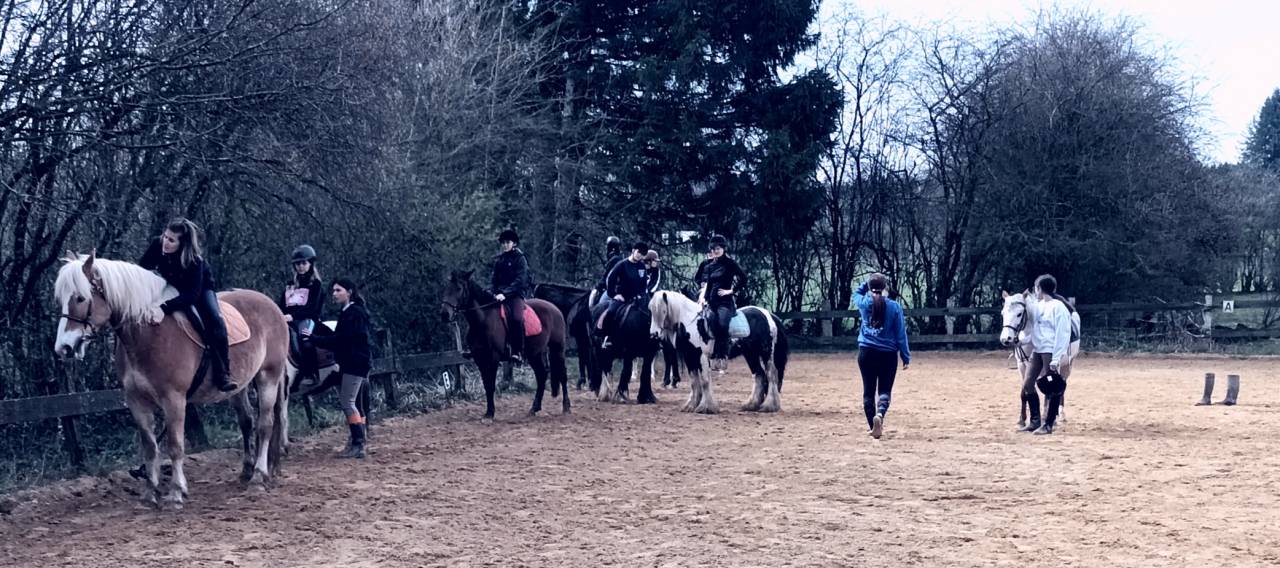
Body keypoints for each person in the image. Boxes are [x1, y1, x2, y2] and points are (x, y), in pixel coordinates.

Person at [139, 218, 236, 392]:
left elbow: (192, 295)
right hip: (169, 285)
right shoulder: (157, 244)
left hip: (199, 291)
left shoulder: (194, 261)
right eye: (165, 236)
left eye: (171, 240)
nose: (165, 242)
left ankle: (223, 372)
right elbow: (143, 267)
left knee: (214, 319)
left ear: (181, 244)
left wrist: (164, 308)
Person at [303, 279, 372, 458]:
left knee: (348, 403)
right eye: (333, 291)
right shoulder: (349, 312)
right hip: (353, 363)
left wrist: (313, 338)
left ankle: (358, 444)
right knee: (354, 403)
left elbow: (340, 340)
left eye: (338, 290)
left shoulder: (353, 313)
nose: (334, 294)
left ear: (349, 292)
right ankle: (359, 440)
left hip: (354, 364)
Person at [853, 273, 911, 439]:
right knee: (884, 390)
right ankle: (880, 415)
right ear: (885, 287)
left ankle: (873, 426)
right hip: (888, 355)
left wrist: (867, 283)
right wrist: (905, 356)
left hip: (866, 353)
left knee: (868, 392)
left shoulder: (863, 304)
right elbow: (901, 335)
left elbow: (855, 294)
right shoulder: (894, 307)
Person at [1021, 274, 1072, 435]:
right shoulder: (1038, 306)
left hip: (1050, 351)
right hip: (1037, 350)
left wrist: (1056, 358)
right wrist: (1022, 340)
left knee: (1052, 387)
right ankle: (1035, 421)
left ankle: (1048, 423)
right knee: (1028, 384)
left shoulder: (1059, 307)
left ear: (1039, 288)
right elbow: (1033, 327)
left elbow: (1062, 333)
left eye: (1036, 288)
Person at [694, 235, 747, 371]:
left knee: (723, 324)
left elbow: (744, 278)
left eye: (718, 248)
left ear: (723, 249)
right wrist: (704, 298)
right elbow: (710, 284)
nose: (715, 251)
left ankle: (722, 355)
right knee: (707, 322)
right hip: (711, 302)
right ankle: (710, 354)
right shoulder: (710, 265)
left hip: (725, 303)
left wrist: (731, 291)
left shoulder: (730, 263)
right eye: (713, 249)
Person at [280, 244, 324, 389]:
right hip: (288, 319)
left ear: (310, 264)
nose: (301, 266)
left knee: (305, 339)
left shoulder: (316, 285)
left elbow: (312, 308)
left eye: (304, 263)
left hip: (308, 319)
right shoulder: (290, 285)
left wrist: (292, 316)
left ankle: (311, 374)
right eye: (298, 264)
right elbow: (282, 304)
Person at [598, 242, 651, 347]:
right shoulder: (622, 264)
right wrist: (614, 295)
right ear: (633, 250)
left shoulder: (641, 267)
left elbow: (643, 284)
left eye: (642, 254)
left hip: (637, 299)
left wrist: (641, 295)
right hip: (622, 298)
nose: (640, 255)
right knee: (611, 312)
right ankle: (607, 337)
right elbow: (610, 279)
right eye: (639, 252)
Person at [492, 229, 530, 364]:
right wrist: (494, 292)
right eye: (503, 243)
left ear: (514, 243)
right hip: (500, 295)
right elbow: (494, 279)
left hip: (515, 295)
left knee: (516, 318)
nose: (505, 245)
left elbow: (521, 280)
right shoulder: (500, 260)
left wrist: (505, 293)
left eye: (507, 242)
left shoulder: (520, 259)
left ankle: (518, 351)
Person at [593, 236, 625, 306]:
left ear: (611, 248)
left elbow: (607, 276)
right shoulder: (619, 258)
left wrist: (599, 286)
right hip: (614, 287)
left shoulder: (615, 259)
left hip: (613, 289)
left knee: (599, 304)